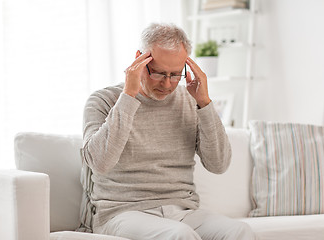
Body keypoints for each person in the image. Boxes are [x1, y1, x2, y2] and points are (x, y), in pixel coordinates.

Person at [78, 23, 256, 240]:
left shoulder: (190, 101)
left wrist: (204, 102)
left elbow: (219, 164)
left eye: (175, 74)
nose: (167, 84)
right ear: (139, 60)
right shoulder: (103, 101)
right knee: (179, 236)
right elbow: (99, 162)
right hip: (123, 213)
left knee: (240, 232)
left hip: (182, 212)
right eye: (159, 73)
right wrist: (129, 96)